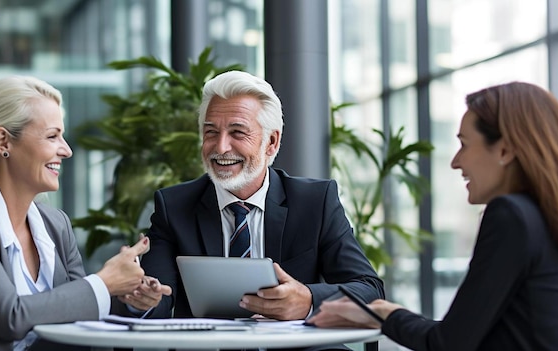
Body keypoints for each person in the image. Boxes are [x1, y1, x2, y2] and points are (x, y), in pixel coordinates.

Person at [307, 81, 558, 350]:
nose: (456, 161)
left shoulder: (511, 216)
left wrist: (384, 314)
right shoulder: (545, 216)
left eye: (464, 144)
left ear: (505, 150)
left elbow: (448, 343)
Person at [138, 70, 384, 348]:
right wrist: (144, 298)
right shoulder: (174, 206)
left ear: (271, 142)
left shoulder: (315, 201)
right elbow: (158, 297)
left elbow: (369, 290)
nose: (221, 147)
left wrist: (307, 299)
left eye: (237, 132)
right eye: (211, 132)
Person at [0, 76, 171, 351]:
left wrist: (127, 297)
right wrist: (104, 282)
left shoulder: (55, 224)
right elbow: (8, 317)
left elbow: (78, 312)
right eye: (52, 136)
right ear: (3, 142)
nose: (67, 150)